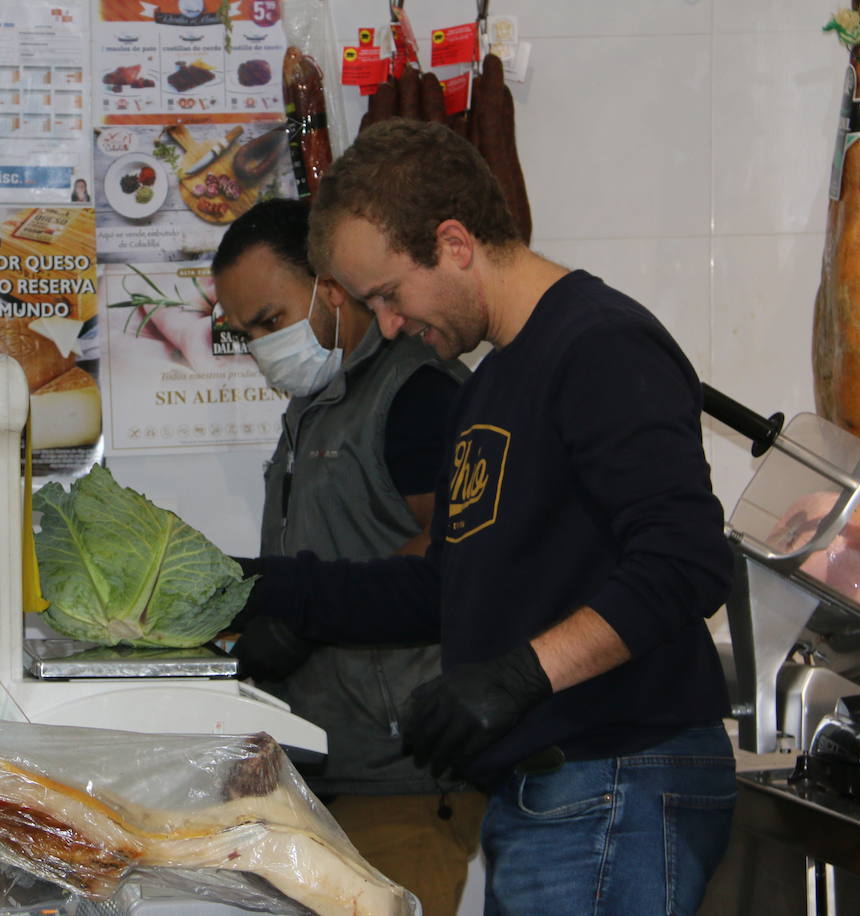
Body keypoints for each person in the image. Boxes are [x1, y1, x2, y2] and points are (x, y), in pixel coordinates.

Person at [241, 119, 737, 914]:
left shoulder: (599, 345)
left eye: (390, 295)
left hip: (618, 782)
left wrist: (519, 675)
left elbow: (685, 562)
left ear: (456, 242)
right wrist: (268, 588)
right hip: (554, 793)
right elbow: (446, 587)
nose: (392, 325)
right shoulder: (491, 383)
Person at [212, 198, 480, 915]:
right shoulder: (312, 408)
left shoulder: (415, 393)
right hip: (321, 771)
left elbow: (459, 549)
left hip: (404, 777)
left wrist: (307, 616)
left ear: (331, 285)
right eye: (247, 334)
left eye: (271, 320)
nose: (264, 346)